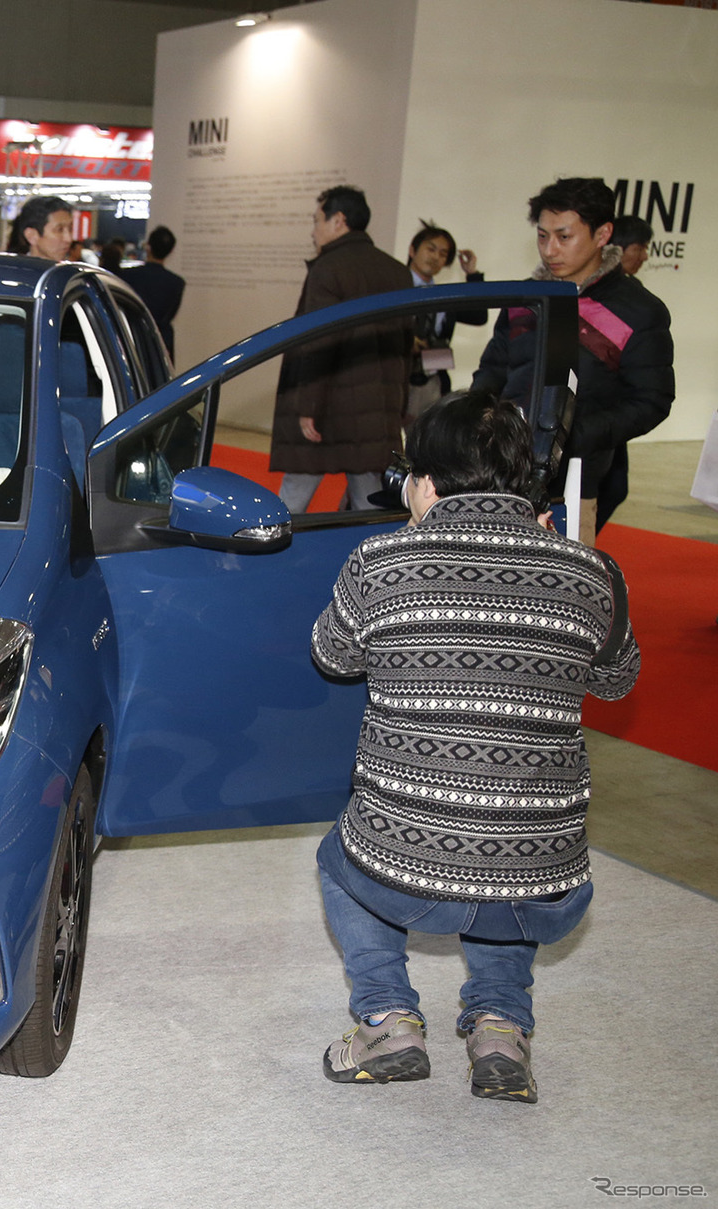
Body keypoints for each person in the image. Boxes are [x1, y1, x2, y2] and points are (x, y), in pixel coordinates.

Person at [312, 389, 638, 1103]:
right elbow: (617, 680)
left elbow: (331, 655)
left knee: (339, 860)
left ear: (424, 482)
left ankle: (385, 1017)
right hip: (542, 881)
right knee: (507, 851)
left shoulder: (380, 559)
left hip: (400, 870)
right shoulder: (588, 571)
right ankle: (499, 1028)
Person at [471, 177, 673, 542]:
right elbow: (493, 371)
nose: (550, 250)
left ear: (602, 234)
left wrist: (571, 437)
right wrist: (476, 420)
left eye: (564, 237)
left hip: (574, 484)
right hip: (497, 474)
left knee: (556, 591)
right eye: (543, 236)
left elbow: (651, 401)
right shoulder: (523, 298)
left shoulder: (639, 311)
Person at [269, 185, 413, 513]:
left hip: (329, 406)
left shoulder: (328, 268)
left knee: (294, 494)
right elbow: (405, 347)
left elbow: (319, 340)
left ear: (339, 221)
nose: (313, 231)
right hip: (375, 406)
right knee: (368, 497)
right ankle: (375, 562)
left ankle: (268, 554)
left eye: (317, 220)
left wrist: (308, 405)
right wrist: (398, 404)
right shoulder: (396, 271)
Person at [403, 220, 488, 433]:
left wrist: (472, 274)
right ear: (413, 250)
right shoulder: (394, 286)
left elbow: (478, 315)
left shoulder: (443, 296)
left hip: (431, 381)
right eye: (430, 248)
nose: (435, 257)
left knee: (426, 440)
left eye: (443, 254)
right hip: (395, 377)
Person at [119, 226, 186, 359]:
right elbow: (170, 315)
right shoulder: (177, 283)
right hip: (162, 342)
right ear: (171, 250)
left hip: (132, 340)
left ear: (148, 246)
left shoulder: (127, 276)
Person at [8, 195, 73, 261]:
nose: (68, 239)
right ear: (32, 236)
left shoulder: (75, 270)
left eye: (70, 229)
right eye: (59, 230)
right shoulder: (13, 270)